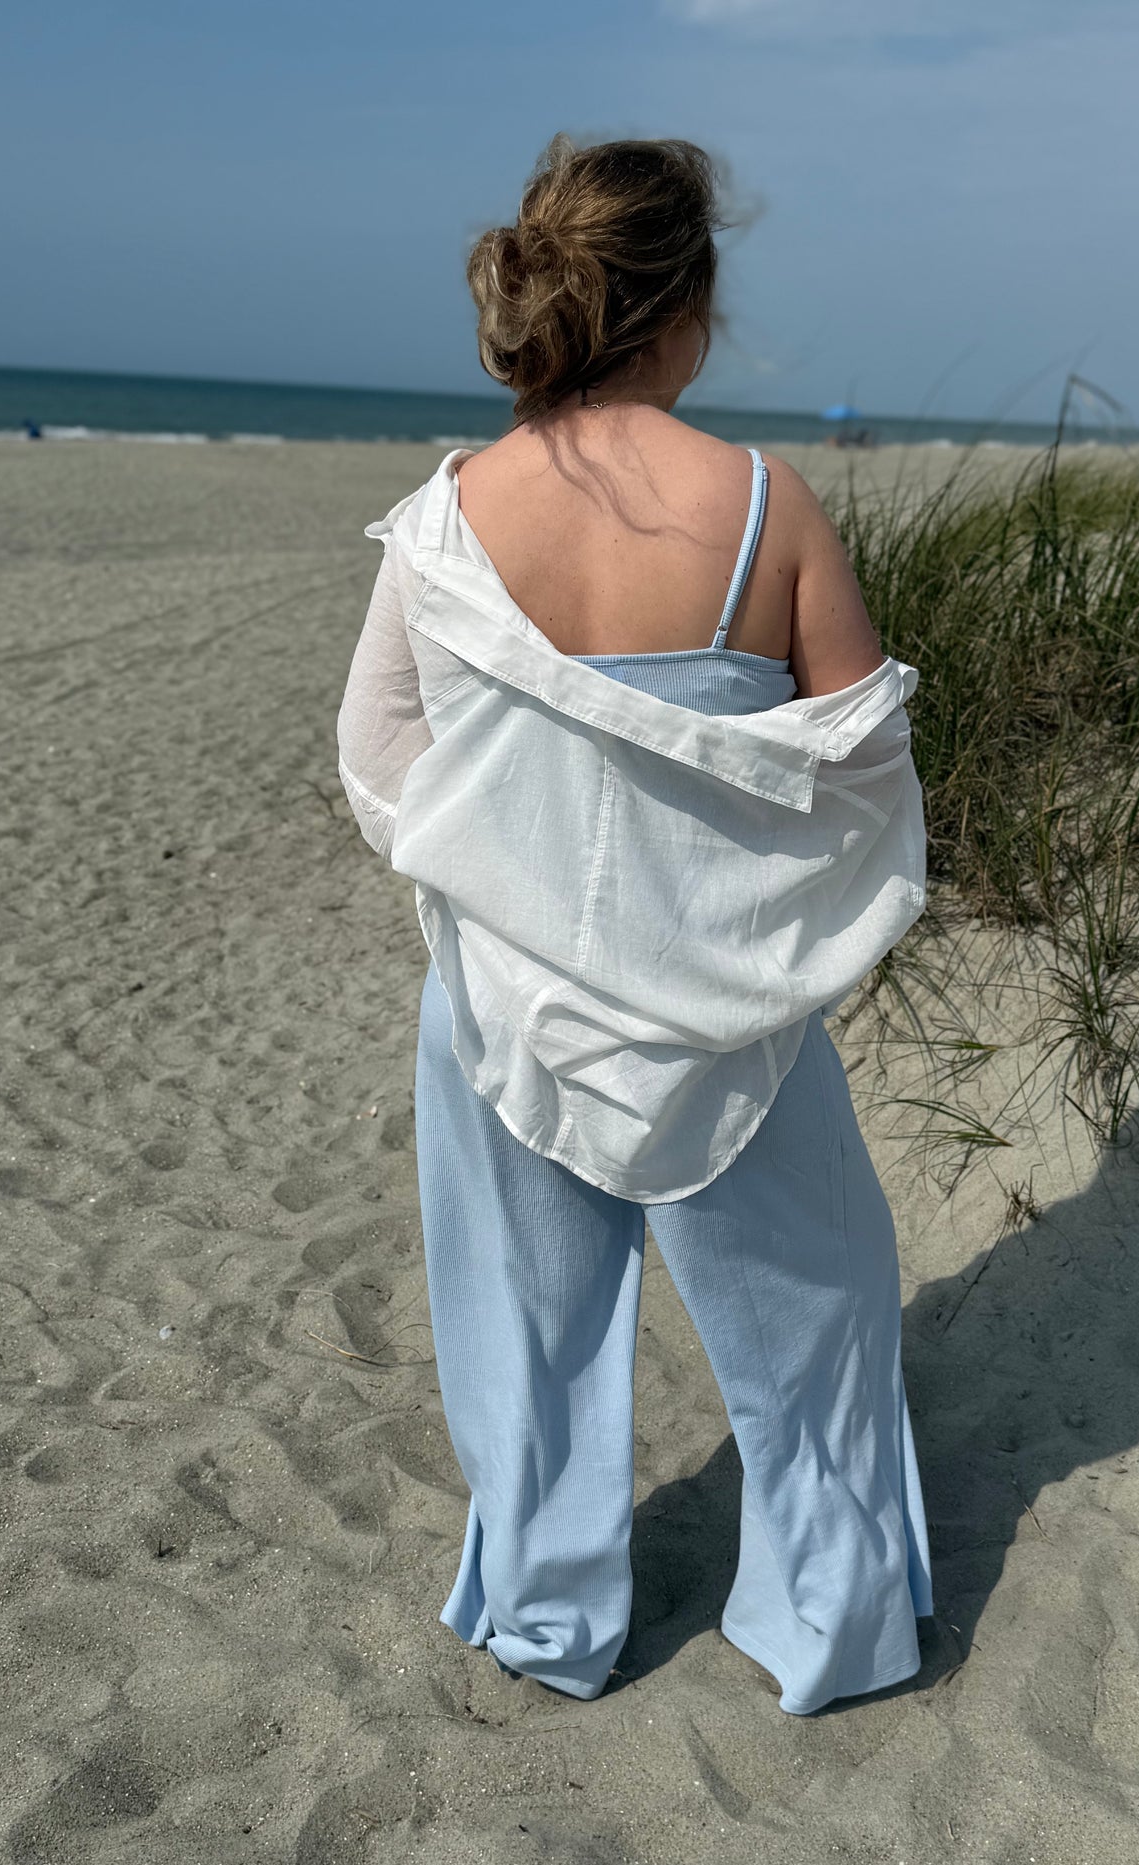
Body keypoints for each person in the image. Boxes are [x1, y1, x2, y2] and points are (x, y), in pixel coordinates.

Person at [337, 133, 934, 1716]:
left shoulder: (450, 516)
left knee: (522, 1326)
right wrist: (722, 902)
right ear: (688, 305)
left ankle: (548, 1624)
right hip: (723, 1006)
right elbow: (859, 759)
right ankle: (829, 1627)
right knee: (807, 1316)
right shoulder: (760, 501)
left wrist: (518, 886)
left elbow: (379, 764)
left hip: (500, 999)